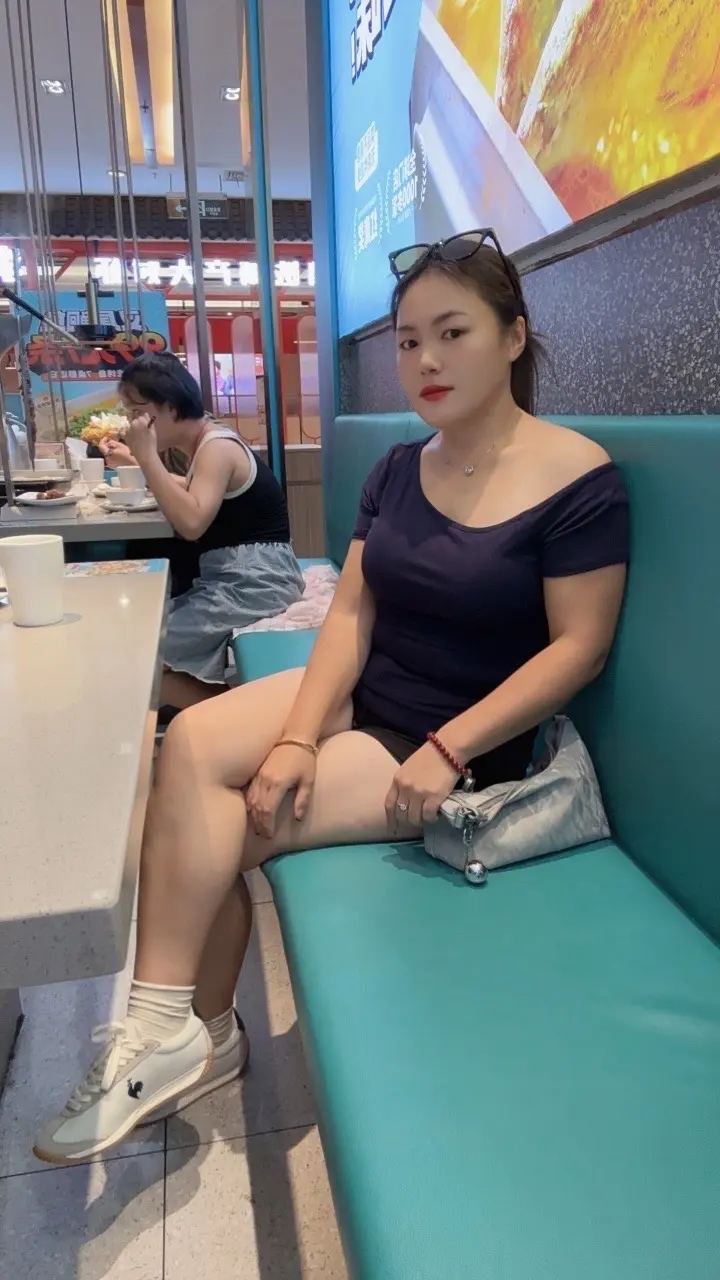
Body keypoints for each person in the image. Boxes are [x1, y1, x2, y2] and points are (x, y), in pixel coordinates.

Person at [34, 230, 629, 1164]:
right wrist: (299, 736)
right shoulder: (399, 468)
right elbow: (350, 615)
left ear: (514, 336)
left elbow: (579, 650)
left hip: (457, 746)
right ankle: (172, 1028)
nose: (425, 361)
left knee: (218, 819)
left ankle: (197, 1035)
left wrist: (448, 747)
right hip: (369, 693)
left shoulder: (579, 478)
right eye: (409, 340)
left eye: (453, 333)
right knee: (187, 748)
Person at [115, 352, 303, 710]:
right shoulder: (206, 443)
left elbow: (191, 523)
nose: (131, 423)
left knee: (140, 648)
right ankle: (237, 712)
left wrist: (146, 456)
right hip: (240, 579)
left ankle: (254, 714)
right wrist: (139, 460)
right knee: (145, 652)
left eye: (136, 411)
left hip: (257, 584)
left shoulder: (216, 448)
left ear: (170, 408)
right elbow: (192, 492)